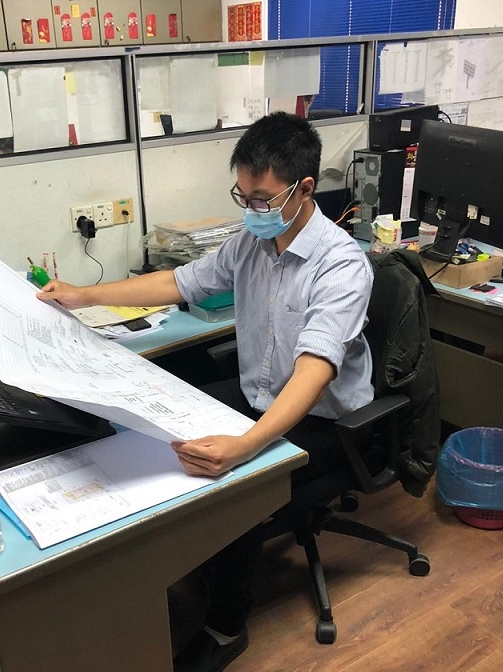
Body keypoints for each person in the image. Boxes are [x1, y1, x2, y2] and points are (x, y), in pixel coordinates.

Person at [37, 112, 374, 671]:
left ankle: (225, 627)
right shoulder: (250, 242)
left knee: (231, 485)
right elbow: (177, 282)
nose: (250, 210)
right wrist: (82, 295)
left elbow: (313, 375)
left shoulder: (340, 266)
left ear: (304, 189)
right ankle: (183, 556)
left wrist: (245, 448)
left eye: (261, 198)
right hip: (261, 395)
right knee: (156, 427)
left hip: (324, 419)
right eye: (242, 196)